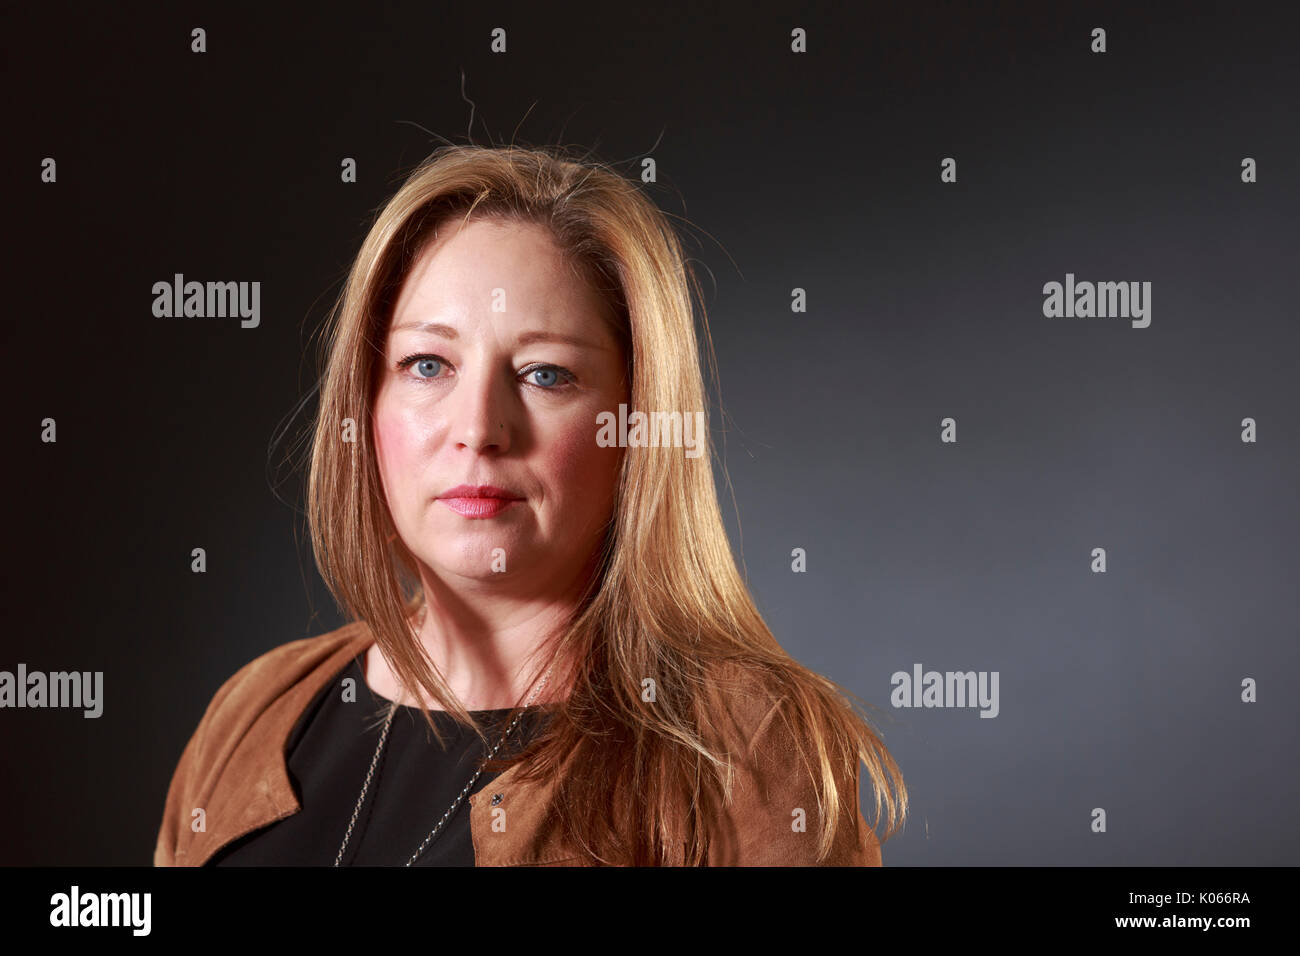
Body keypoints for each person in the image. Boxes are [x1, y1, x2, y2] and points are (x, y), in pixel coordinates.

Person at [153, 143, 907, 866]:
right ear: (366, 403)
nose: (479, 428)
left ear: (636, 425)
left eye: (545, 374)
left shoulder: (747, 750)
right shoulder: (254, 712)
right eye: (426, 364)